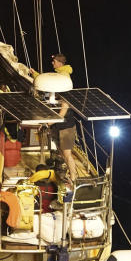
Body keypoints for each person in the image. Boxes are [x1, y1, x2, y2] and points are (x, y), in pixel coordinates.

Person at [50, 54, 78, 183]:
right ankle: (69, 175)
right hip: (58, 126)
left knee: (67, 154)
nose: (52, 63)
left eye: (54, 61)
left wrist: (48, 122)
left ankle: (74, 177)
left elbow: (61, 114)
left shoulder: (65, 95)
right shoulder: (56, 94)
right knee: (61, 153)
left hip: (66, 127)